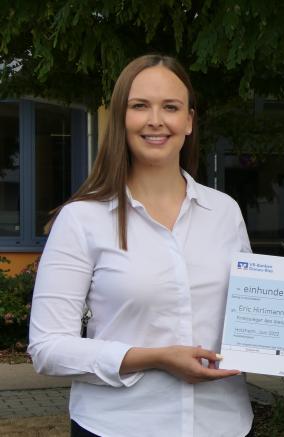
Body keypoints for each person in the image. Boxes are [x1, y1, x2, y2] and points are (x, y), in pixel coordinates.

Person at [28, 55, 253, 437]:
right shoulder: (82, 219)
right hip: (117, 426)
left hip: (224, 424)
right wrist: (155, 358)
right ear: (121, 117)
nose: (156, 120)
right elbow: (47, 348)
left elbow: (251, 319)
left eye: (171, 107)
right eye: (140, 106)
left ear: (189, 121)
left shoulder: (224, 212)